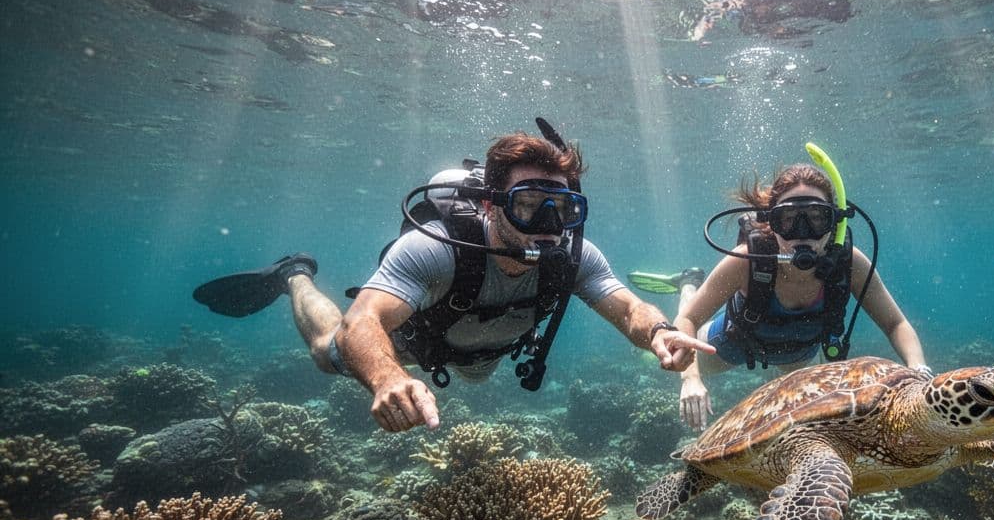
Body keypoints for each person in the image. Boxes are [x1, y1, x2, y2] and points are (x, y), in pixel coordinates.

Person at [194, 125, 712, 433]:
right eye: (529, 206)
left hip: (484, 352)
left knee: (477, 372)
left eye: (563, 208)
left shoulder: (571, 254)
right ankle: (295, 275)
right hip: (421, 345)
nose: (550, 227)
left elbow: (626, 307)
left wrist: (659, 333)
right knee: (328, 353)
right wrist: (388, 378)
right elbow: (364, 321)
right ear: (491, 205)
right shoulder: (434, 249)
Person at [646, 163, 928, 431]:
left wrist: (918, 369)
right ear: (771, 222)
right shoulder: (746, 261)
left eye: (817, 219)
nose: (802, 234)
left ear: (835, 223)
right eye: (789, 220)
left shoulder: (849, 264)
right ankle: (688, 284)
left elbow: (895, 323)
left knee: (809, 421)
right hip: (734, 342)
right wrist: (691, 378)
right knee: (672, 353)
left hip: (799, 354)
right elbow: (689, 318)